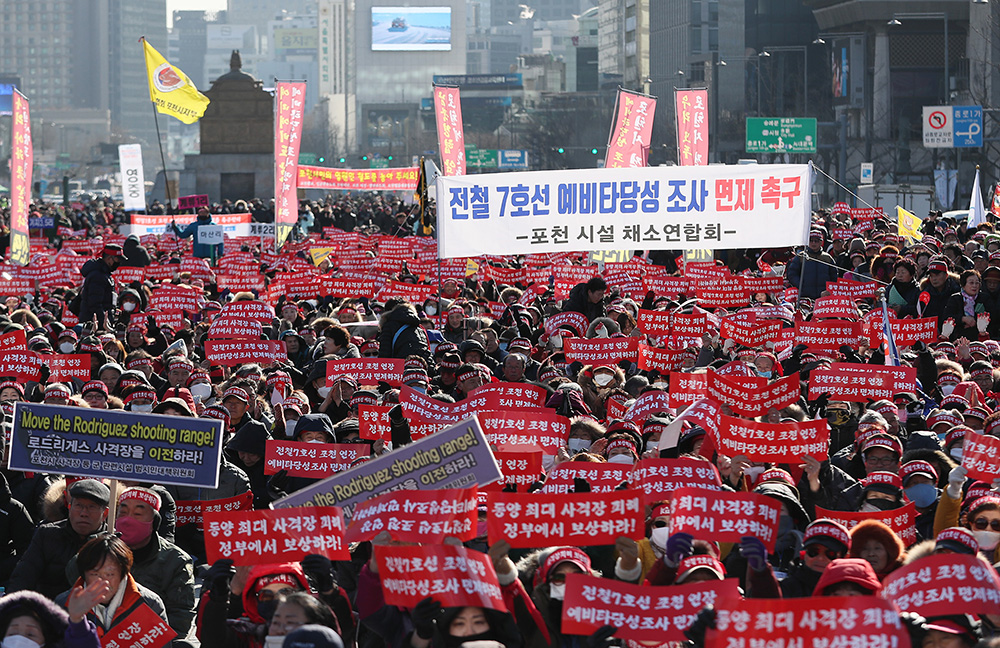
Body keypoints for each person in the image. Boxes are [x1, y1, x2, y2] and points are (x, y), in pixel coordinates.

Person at [8, 480, 110, 599]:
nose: (83, 513)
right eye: (79, 506)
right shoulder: (47, 535)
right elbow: (23, 577)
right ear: (69, 507)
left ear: (105, 513)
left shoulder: (111, 542)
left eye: (91, 507)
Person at [56, 534, 169, 641]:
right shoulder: (64, 604)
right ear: (84, 574)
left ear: (122, 574)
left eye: (110, 574)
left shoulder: (149, 603)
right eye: (95, 574)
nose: (103, 582)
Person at [77, 244, 122, 327]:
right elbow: (95, 304)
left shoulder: (104, 274)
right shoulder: (98, 276)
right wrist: (104, 324)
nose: (119, 262)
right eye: (117, 259)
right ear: (109, 258)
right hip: (95, 325)